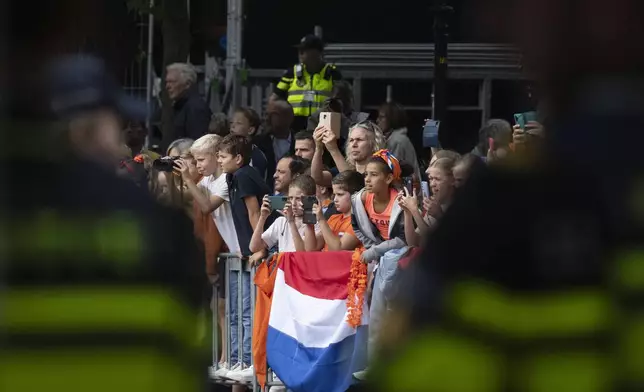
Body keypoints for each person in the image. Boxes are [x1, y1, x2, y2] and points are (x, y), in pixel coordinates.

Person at [3, 54, 204, 391]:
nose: (125, 139)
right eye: (120, 125)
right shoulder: (152, 226)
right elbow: (185, 359)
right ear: (87, 129)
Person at [215, 134, 270, 382]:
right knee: (239, 312)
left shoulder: (245, 175)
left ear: (238, 158)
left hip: (257, 251)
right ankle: (238, 360)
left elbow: (254, 211)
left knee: (248, 311)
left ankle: (248, 360)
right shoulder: (232, 176)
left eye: (223, 156)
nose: (219, 159)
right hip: (245, 251)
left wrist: (258, 247)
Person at [351, 150, 409, 380]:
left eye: (373, 175)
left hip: (400, 259)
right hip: (380, 257)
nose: (367, 179)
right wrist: (371, 248)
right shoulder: (360, 199)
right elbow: (357, 226)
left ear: (388, 179)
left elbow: (404, 238)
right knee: (375, 314)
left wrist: (377, 251)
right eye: (366, 174)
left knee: (390, 314)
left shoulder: (400, 199)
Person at [175, 134, 230, 374]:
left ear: (217, 157)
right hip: (227, 254)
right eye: (194, 160)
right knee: (218, 310)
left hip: (235, 252)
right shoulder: (209, 180)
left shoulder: (225, 180)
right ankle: (223, 358)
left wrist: (187, 177)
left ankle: (228, 358)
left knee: (227, 312)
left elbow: (206, 207)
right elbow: (186, 195)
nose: (197, 166)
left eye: (200, 160)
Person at [271, 34, 342, 131]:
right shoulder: (292, 72)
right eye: (300, 50)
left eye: (304, 50)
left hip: (323, 125)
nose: (300, 53)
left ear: (318, 52)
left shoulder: (332, 74)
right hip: (295, 125)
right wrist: (286, 112)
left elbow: (342, 101)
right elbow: (274, 99)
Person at [250, 174, 320, 255]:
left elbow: (302, 254)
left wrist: (291, 222)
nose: (293, 203)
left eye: (298, 198)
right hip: (283, 266)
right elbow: (254, 247)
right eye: (290, 198)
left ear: (311, 199)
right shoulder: (281, 221)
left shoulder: (317, 223)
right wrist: (262, 218)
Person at [399, 157, 457, 246]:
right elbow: (414, 242)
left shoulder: (460, 205)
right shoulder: (434, 203)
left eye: (437, 179)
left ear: (452, 180)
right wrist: (407, 211)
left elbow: (433, 242)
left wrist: (415, 211)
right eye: (430, 178)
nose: (432, 184)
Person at [306, 171, 364, 251]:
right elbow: (311, 248)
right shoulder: (333, 218)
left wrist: (322, 220)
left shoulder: (360, 221)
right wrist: (309, 225)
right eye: (334, 194)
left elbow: (338, 249)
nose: (335, 199)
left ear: (355, 195)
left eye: (340, 194)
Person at [255, 100, 296, 189]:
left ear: (288, 118)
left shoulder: (299, 142)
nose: (267, 118)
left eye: (273, 115)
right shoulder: (259, 143)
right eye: (266, 114)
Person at [166, 62, 211, 140]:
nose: (167, 86)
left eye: (172, 82)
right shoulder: (180, 106)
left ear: (187, 84)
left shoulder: (196, 108)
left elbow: (197, 144)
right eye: (166, 82)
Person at [377, 102, 421, 179]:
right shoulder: (392, 138)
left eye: (381, 117)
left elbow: (392, 169)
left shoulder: (397, 140)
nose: (377, 120)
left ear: (392, 119)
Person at [230, 107, 268, 181]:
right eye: (231, 122)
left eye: (239, 123)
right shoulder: (226, 151)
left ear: (250, 130)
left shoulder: (256, 157)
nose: (233, 126)